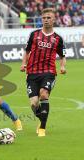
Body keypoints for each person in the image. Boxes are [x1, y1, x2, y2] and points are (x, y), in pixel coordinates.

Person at [20, 8, 67, 137]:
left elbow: (63, 55)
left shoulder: (57, 38)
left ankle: (42, 127)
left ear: (54, 20)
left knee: (44, 94)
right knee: (34, 103)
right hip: (32, 73)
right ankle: (42, 119)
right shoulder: (34, 34)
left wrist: (62, 67)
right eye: (44, 18)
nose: (46, 20)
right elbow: (27, 51)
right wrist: (24, 63)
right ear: (42, 19)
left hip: (49, 72)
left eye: (49, 18)